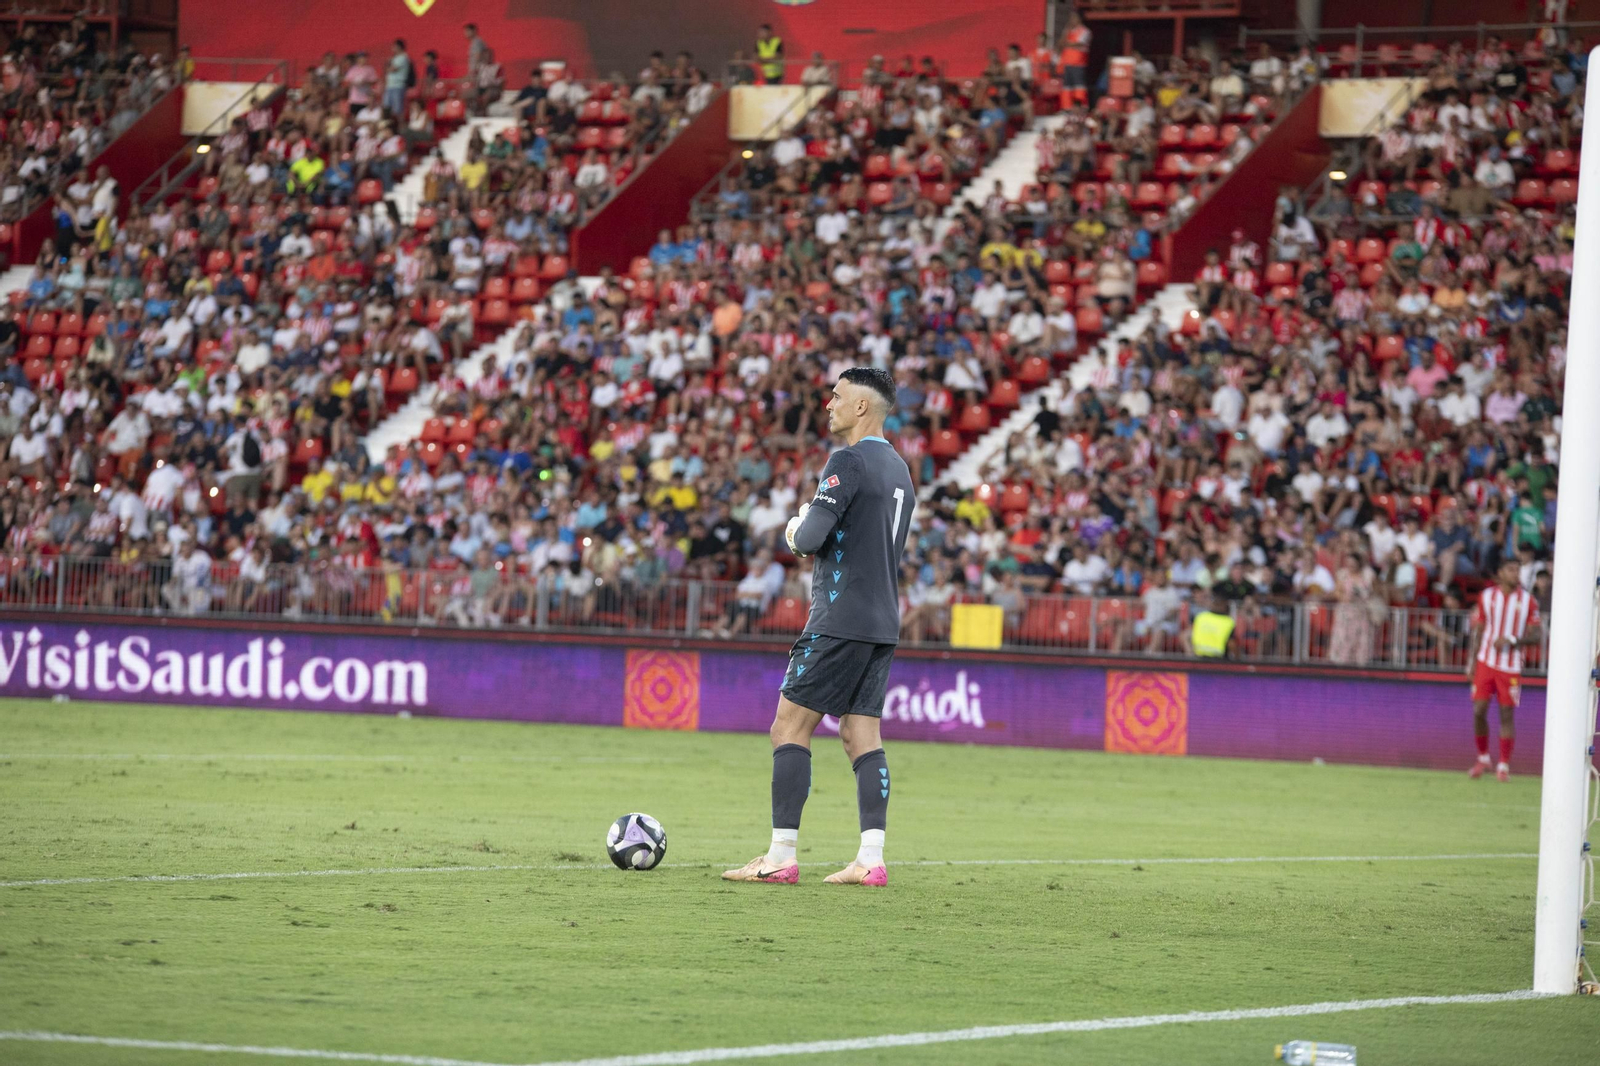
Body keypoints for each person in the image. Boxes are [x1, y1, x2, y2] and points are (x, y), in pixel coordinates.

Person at [723, 368, 915, 888]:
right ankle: (870, 859)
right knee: (860, 733)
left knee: (788, 727)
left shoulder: (847, 460)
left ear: (861, 408)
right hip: (883, 622)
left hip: (840, 617)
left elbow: (808, 539)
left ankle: (781, 854)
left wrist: (794, 526)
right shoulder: (900, 468)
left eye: (837, 396)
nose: (828, 403)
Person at [1466, 560, 1541, 781]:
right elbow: (1479, 629)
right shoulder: (1487, 596)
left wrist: (1512, 639)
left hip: (1511, 666)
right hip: (1485, 662)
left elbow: (1537, 635)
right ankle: (1483, 758)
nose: (1515, 573)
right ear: (1500, 573)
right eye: (1510, 569)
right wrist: (1471, 661)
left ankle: (1504, 765)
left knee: (1506, 714)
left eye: (1517, 570)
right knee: (1479, 710)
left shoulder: (1527, 601)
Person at [1188, 592, 1234, 658]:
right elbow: (1231, 643)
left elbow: (1190, 635)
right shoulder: (1228, 622)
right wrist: (1237, 659)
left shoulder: (1200, 617)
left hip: (1198, 658)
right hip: (1219, 660)